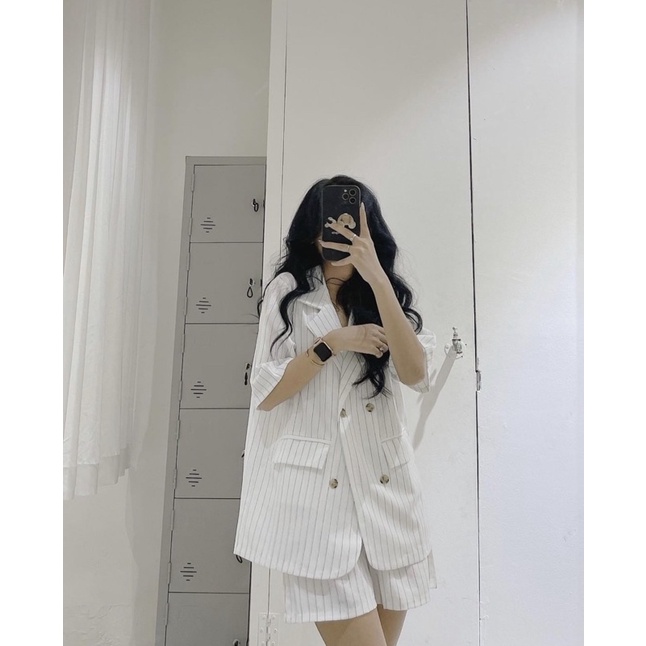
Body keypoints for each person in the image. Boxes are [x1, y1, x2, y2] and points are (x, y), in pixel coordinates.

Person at [233, 175, 438, 646]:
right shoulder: (288, 293)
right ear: (313, 231)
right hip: (318, 507)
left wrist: (377, 277)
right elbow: (268, 392)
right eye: (332, 223)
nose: (342, 233)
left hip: (387, 496)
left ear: (371, 231)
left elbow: (415, 373)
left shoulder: (383, 293)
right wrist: (333, 343)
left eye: (354, 225)